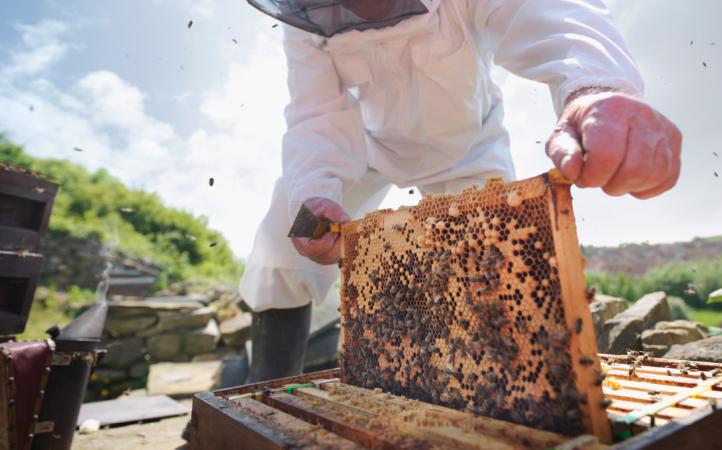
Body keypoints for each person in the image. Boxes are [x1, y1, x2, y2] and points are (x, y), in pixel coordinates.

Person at [241, 0, 682, 381]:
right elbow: (314, 114)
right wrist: (314, 195)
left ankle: (490, 386)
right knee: (280, 243)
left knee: (491, 269)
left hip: (466, 149)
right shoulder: (303, 17)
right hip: (365, 147)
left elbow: (547, 12)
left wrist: (594, 88)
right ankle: (261, 391)